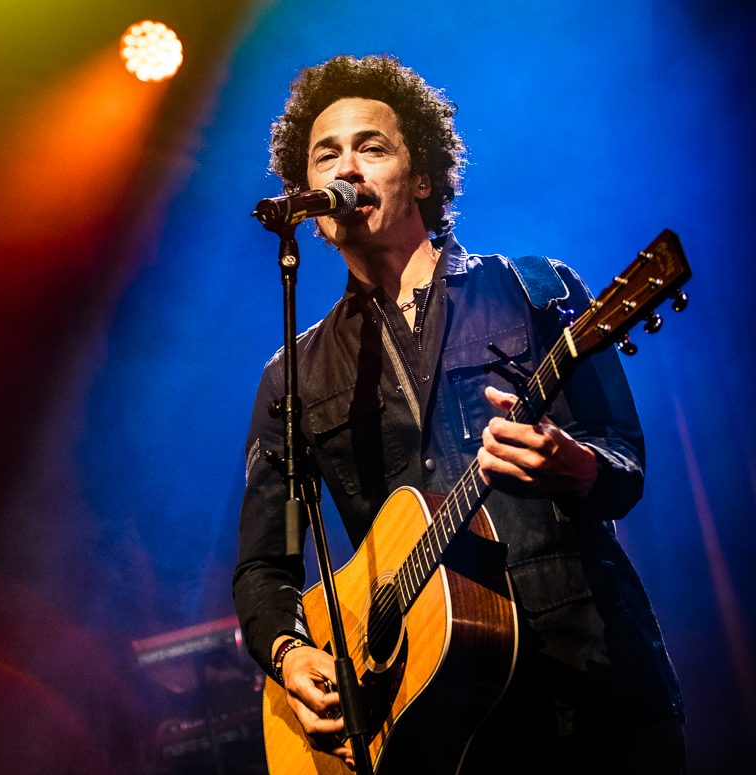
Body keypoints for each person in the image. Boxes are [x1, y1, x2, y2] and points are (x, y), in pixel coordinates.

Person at [232, 55, 684, 773]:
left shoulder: (535, 290)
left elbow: (623, 467)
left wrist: (573, 463)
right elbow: (266, 564)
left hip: (590, 696)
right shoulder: (293, 375)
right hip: (431, 733)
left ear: (422, 177)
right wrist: (290, 653)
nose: (346, 166)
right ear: (307, 204)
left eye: (370, 146)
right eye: (327, 154)